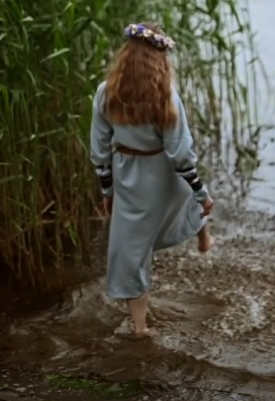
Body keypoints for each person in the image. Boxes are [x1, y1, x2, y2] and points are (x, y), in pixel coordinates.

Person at [90, 22, 216, 337]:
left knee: (133, 248)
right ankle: (203, 233)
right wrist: (201, 191)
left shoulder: (107, 91)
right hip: (161, 171)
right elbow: (180, 151)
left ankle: (139, 327)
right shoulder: (165, 94)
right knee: (187, 194)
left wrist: (107, 188)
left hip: (127, 174)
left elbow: (99, 146)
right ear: (160, 59)